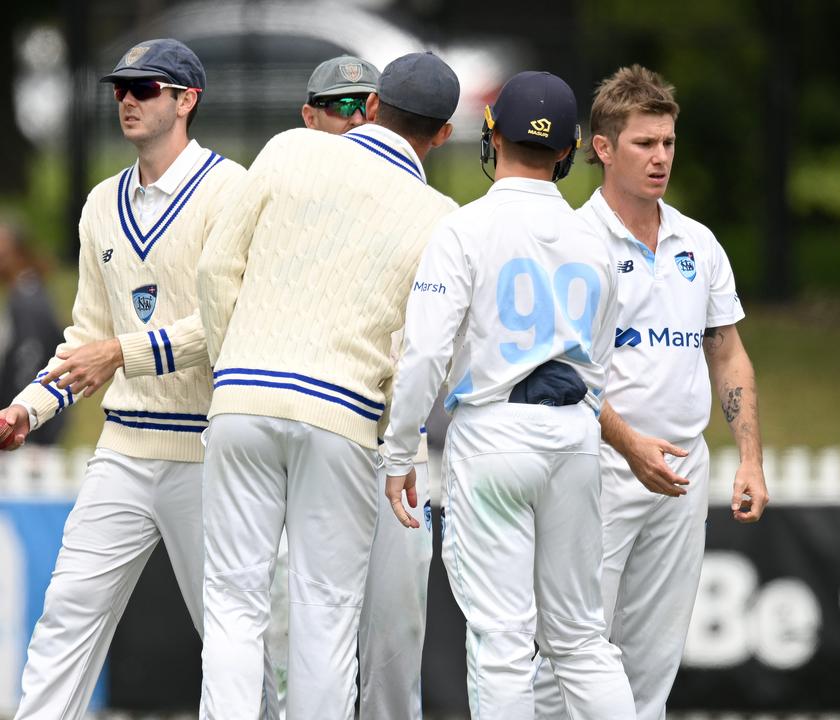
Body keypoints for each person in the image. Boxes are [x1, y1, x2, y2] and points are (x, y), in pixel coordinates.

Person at [0, 38, 275, 719]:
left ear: (187, 100)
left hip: (210, 451)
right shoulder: (100, 204)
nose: (127, 98)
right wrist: (27, 410)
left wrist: (122, 353)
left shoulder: (232, 192)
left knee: (236, 634)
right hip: (123, 450)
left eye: (146, 88)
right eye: (121, 87)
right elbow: (84, 338)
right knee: (67, 615)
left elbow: (230, 324)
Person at [195, 51, 459, 719]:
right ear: (444, 134)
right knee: (326, 614)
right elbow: (427, 352)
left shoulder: (287, 150)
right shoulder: (440, 216)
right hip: (345, 418)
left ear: (372, 108)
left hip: (243, 398)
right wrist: (396, 444)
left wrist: (235, 367)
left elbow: (216, 271)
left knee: (232, 601)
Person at [381, 70, 635, 720]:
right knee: (579, 637)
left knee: (502, 640)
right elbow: (602, 366)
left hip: (493, 433)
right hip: (574, 435)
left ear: (493, 137)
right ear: (571, 149)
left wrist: (399, 449)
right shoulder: (597, 241)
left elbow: (426, 353)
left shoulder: (465, 229)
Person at [529, 64, 767, 720]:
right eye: (644, 143)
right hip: (597, 469)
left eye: (667, 142)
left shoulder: (700, 242)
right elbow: (562, 373)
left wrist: (749, 458)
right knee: (571, 652)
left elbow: (728, 351)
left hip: (683, 471)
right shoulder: (574, 242)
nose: (660, 158)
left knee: (653, 663)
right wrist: (631, 446)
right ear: (602, 148)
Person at [284, 54, 435, 720]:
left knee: (396, 643)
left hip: (394, 452)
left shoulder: (420, 209)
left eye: (363, 106)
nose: (351, 119)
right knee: (294, 635)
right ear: (308, 116)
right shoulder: (284, 201)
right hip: (307, 439)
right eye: (336, 107)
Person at [0, 220, 68, 445]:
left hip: (27, 432)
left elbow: (29, 361)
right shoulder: (25, 294)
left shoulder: (27, 300)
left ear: (17, 252)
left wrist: (19, 416)